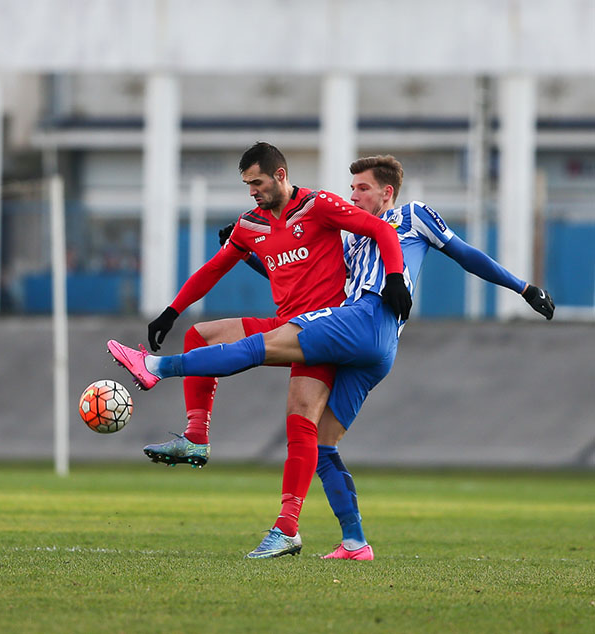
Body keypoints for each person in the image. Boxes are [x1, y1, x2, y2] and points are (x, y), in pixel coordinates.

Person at [109, 154, 555, 559]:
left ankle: (154, 367)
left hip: (364, 320)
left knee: (256, 350)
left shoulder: (413, 216)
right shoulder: (348, 239)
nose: (353, 194)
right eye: (351, 187)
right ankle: (355, 541)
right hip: (364, 344)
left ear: (387, 192)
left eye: (362, 188)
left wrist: (524, 288)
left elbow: (467, 255)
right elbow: (297, 271)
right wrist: (251, 251)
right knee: (321, 443)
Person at [128, 142, 410, 560]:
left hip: (324, 333)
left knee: (300, 425)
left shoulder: (319, 206)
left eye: (256, 182)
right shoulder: (250, 225)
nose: (251, 191)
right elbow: (213, 270)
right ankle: (196, 438)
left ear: (279, 175)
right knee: (200, 334)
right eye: (246, 184)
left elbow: (384, 230)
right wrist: (170, 312)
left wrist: (395, 276)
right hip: (286, 325)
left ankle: (289, 527)